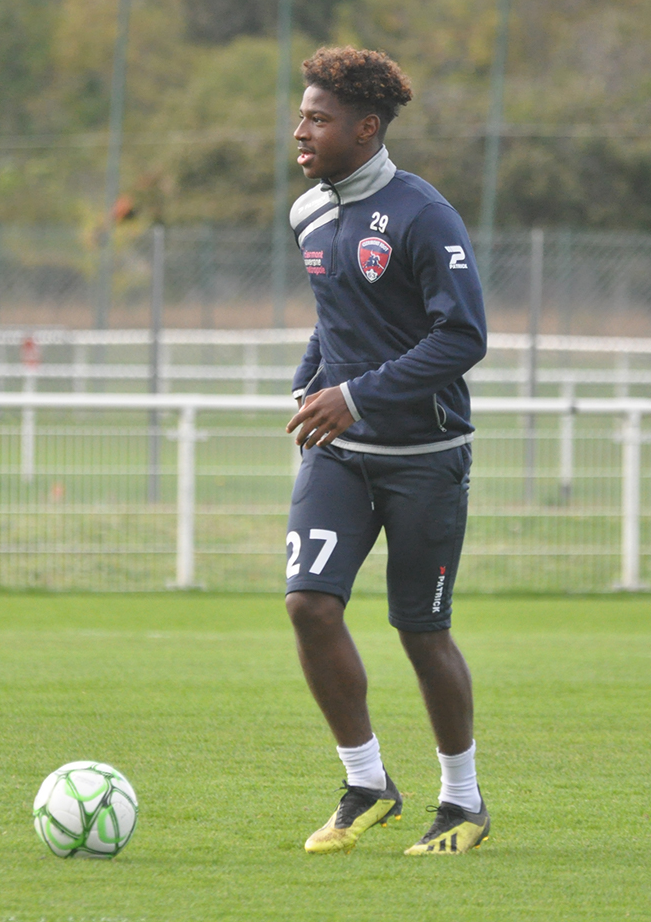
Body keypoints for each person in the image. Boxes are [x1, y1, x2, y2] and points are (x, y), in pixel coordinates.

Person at [282, 46, 489, 856]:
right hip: (341, 453)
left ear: (366, 129)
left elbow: (464, 335)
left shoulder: (422, 215)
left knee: (420, 631)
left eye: (319, 119)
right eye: (302, 114)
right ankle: (367, 783)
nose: (301, 130)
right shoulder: (309, 211)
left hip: (426, 456)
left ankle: (463, 804)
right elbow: (335, 316)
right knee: (307, 603)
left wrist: (357, 394)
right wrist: (307, 383)